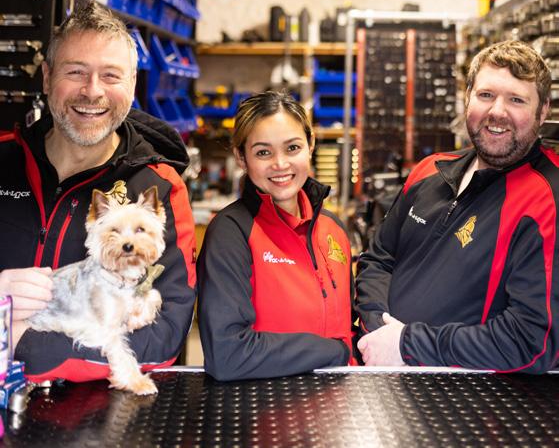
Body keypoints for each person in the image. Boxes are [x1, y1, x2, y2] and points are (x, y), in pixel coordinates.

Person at [0, 1, 197, 382]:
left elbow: (165, 337)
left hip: (100, 413)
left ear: (132, 85)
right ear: (47, 78)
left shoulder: (160, 187)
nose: (92, 91)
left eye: (110, 75)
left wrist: (23, 344)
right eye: (76, 72)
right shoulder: (3, 159)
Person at [356, 39, 559, 373]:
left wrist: (407, 344)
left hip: (472, 396)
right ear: (467, 98)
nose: (497, 111)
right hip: (385, 369)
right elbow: (379, 259)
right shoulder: (429, 170)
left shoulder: (547, 199)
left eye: (516, 99)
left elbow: (531, 341)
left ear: (543, 110)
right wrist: (380, 330)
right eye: (486, 95)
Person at [197, 91, 354, 380]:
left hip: (337, 402)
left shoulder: (333, 229)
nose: (280, 164)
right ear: (241, 157)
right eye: (263, 152)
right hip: (264, 403)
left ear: (310, 145)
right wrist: (336, 352)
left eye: (292, 148)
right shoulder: (231, 233)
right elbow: (227, 353)